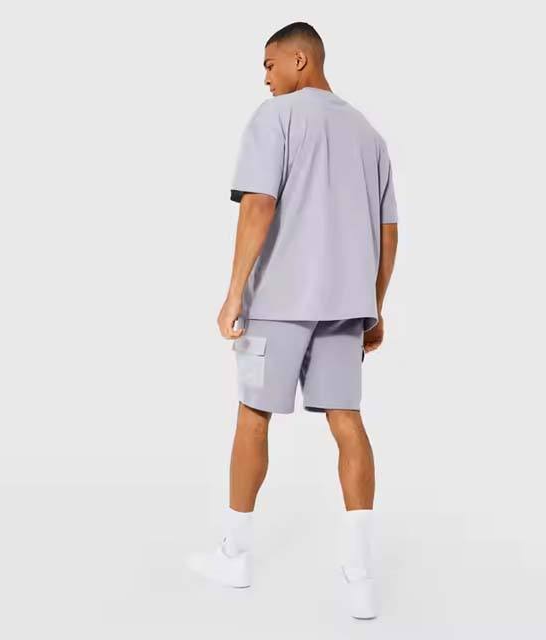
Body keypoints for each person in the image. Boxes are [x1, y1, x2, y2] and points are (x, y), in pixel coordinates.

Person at [187, 21, 399, 620]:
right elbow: (389, 232)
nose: (265, 77)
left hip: (278, 304)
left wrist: (233, 293)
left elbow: (259, 204)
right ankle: (361, 577)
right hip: (345, 308)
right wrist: (375, 305)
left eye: (269, 63)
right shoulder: (369, 134)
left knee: (252, 418)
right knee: (348, 423)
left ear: (300, 60)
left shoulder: (275, 117)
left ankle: (236, 556)